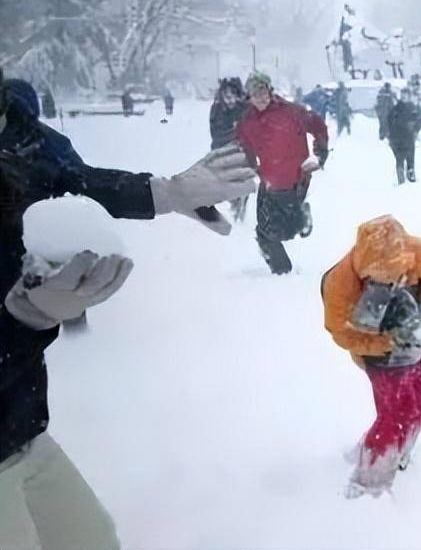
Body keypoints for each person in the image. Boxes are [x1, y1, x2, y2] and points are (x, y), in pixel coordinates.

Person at [0, 72, 255, 550]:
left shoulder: (18, 128)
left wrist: (164, 192)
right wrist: (22, 319)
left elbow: (74, 184)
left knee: (94, 541)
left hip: (23, 428)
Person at [322, 215, 421, 497]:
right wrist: (388, 342)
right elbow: (342, 333)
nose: (390, 285)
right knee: (395, 413)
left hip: (413, 334)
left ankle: (399, 450)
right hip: (374, 349)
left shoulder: (416, 252)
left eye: (396, 276)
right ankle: (370, 482)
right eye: (381, 280)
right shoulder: (339, 284)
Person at [237, 71, 329, 275]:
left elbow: (318, 126)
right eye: (255, 94)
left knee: (286, 231)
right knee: (264, 232)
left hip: (296, 177)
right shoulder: (247, 122)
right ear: (249, 97)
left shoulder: (292, 112)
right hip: (268, 180)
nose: (260, 98)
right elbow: (246, 151)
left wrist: (319, 154)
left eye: (263, 92)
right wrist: (246, 170)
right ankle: (282, 272)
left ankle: (303, 218)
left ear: (270, 91)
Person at [209, 77, 250, 223]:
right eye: (227, 96)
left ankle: (239, 210)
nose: (230, 100)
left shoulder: (244, 108)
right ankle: (234, 205)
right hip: (222, 153)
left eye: (233, 96)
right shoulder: (216, 109)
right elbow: (216, 135)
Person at [385, 87, 421, 184]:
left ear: (409, 96)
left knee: (410, 158)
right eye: (402, 95)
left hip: (409, 138)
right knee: (399, 159)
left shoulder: (413, 109)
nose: (403, 97)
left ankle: (410, 175)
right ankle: (401, 177)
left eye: (405, 95)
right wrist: (389, 135)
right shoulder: (395, 109)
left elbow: (420, 121)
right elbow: (389, 122)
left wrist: (415, 130)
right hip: (397, 139)